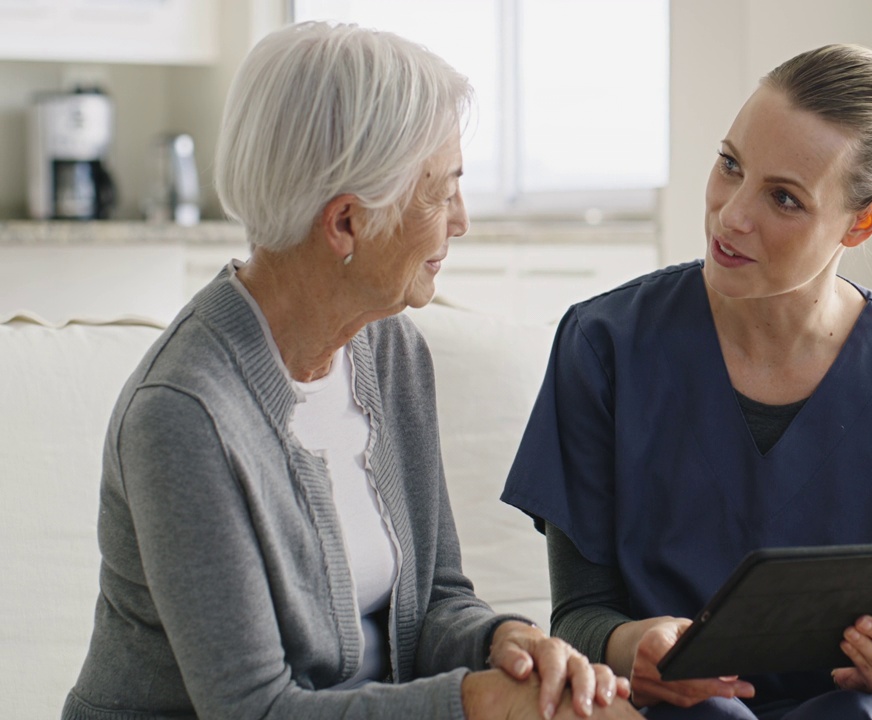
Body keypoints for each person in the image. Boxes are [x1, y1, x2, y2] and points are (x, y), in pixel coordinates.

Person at [62, 22, 639, 720]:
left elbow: (434, 600)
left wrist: (503, 642)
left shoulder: (389, 350)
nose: (461, 220)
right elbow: (254, 710)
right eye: (443, 191)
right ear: (345, 224)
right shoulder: (183, 414)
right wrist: (475, 704)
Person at [501, 44, 872, 720]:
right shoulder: (604, 346)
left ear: (863, 220)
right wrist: (630, 646)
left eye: (784, 198)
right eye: (730, 164)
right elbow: (581, 614)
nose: (732, 214)